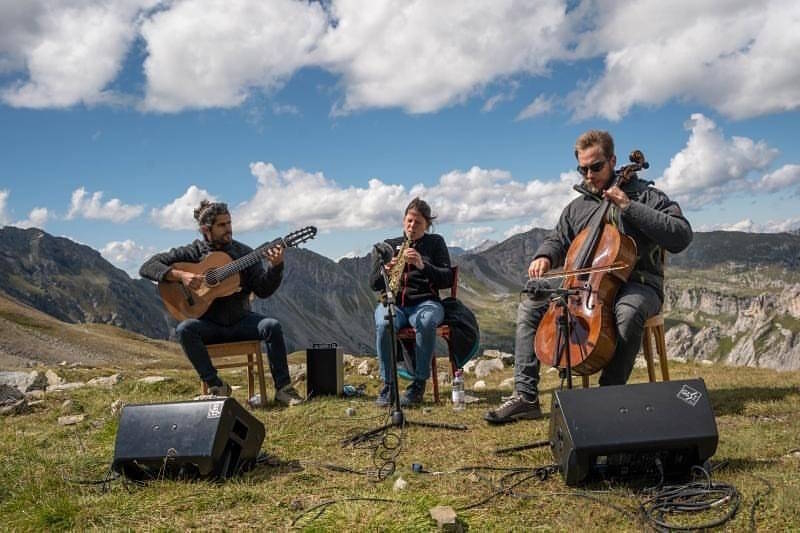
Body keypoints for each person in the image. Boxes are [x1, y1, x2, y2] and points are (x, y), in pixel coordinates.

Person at [485, 130, 693, 424]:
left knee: (627, 312)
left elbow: (681, 235)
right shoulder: (577, 207)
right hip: (588, 285)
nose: (589, 175)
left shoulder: (647, 195)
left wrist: (628, 206)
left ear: (613, 161)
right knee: (533, 297)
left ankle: (608, 396)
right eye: (583, 169)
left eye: (596, 167)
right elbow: (558, 238)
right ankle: (526, 397)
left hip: (639, 284)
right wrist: (545, 255)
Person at [140, 200, 303, 406]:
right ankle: (216, 386)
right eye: (222, 225)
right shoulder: (192, 253)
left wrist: (275, 267)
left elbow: (263, 290)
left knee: (272, 326)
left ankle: (284, 390)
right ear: (206, 229)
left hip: (241, 320)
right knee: (185, 329)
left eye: (229, 223)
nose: (229, 229)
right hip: (209, 325)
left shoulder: (244, 254)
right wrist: (181, 276)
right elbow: (147, 267)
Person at [369, 198, 454, 407]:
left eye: (418, 223)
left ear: (427, 225)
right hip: (394, 303)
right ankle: (388, 384)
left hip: (426, 303)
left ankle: (418, 384)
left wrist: (422, 264)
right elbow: (373, 284)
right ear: (403, 221)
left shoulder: (435, 243)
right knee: (384, 322)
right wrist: (385, 271)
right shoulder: (389, 245)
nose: (412, 227)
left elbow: (446, 278)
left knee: (425, 322)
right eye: (409, 221)